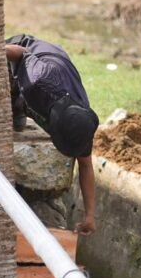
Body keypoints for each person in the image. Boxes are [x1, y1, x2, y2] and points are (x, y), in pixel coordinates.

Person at [6, 34, 100, 235]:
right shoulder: (40, 80)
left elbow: (85, 165)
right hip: (21, 49)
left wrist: (90, 217)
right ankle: (16, 106)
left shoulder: (81, 122)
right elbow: (21, 53)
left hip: (56, 70)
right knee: (9, 108)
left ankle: (19, 107)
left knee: (25, 109)